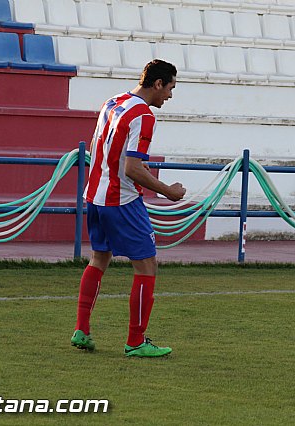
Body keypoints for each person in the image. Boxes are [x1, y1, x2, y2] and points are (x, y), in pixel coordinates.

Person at [70, 59, 186, 358]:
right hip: (121, 199)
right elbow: (132, 168)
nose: (170, 96)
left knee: (99, 258)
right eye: (171, 88)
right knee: (147, 266)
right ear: (158, 84)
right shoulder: (145, 115)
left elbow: (106, 150)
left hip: (95, 194)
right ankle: (136, 341)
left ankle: (82, 329)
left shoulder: (113, 101)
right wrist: (168, 192)